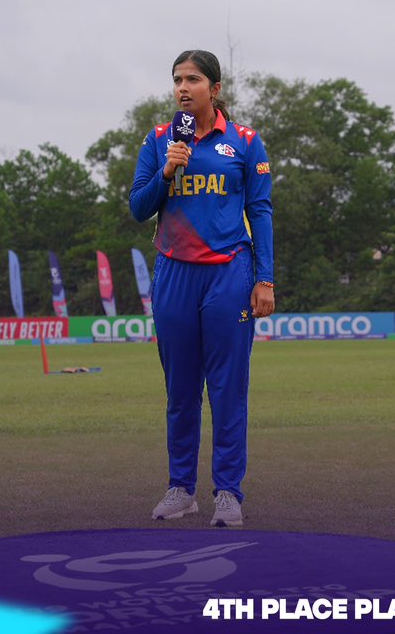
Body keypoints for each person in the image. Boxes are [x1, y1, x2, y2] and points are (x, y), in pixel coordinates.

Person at [129, 49, 274, 528]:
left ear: (214, 88)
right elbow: (138, 207)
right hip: (174, 273)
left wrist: (265, 278)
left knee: (228, 389)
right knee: (181, 390)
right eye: (177, 80)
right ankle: (181, 489)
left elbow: (261, 212)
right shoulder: (159, 140)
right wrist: (167, 171)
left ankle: (228, 492)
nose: (182, 88)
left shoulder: (245, 142)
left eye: (192, 79)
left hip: (229, 273)